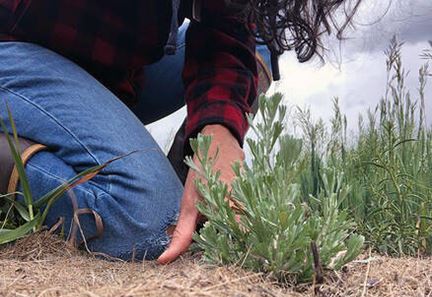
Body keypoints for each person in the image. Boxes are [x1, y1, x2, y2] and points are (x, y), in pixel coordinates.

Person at [0, 0, 360, 263]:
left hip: (116, 71)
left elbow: (227, 28)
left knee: (262, 34)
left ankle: (186, 171)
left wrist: (218, 132)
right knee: (148, 223)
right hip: (17, 47)